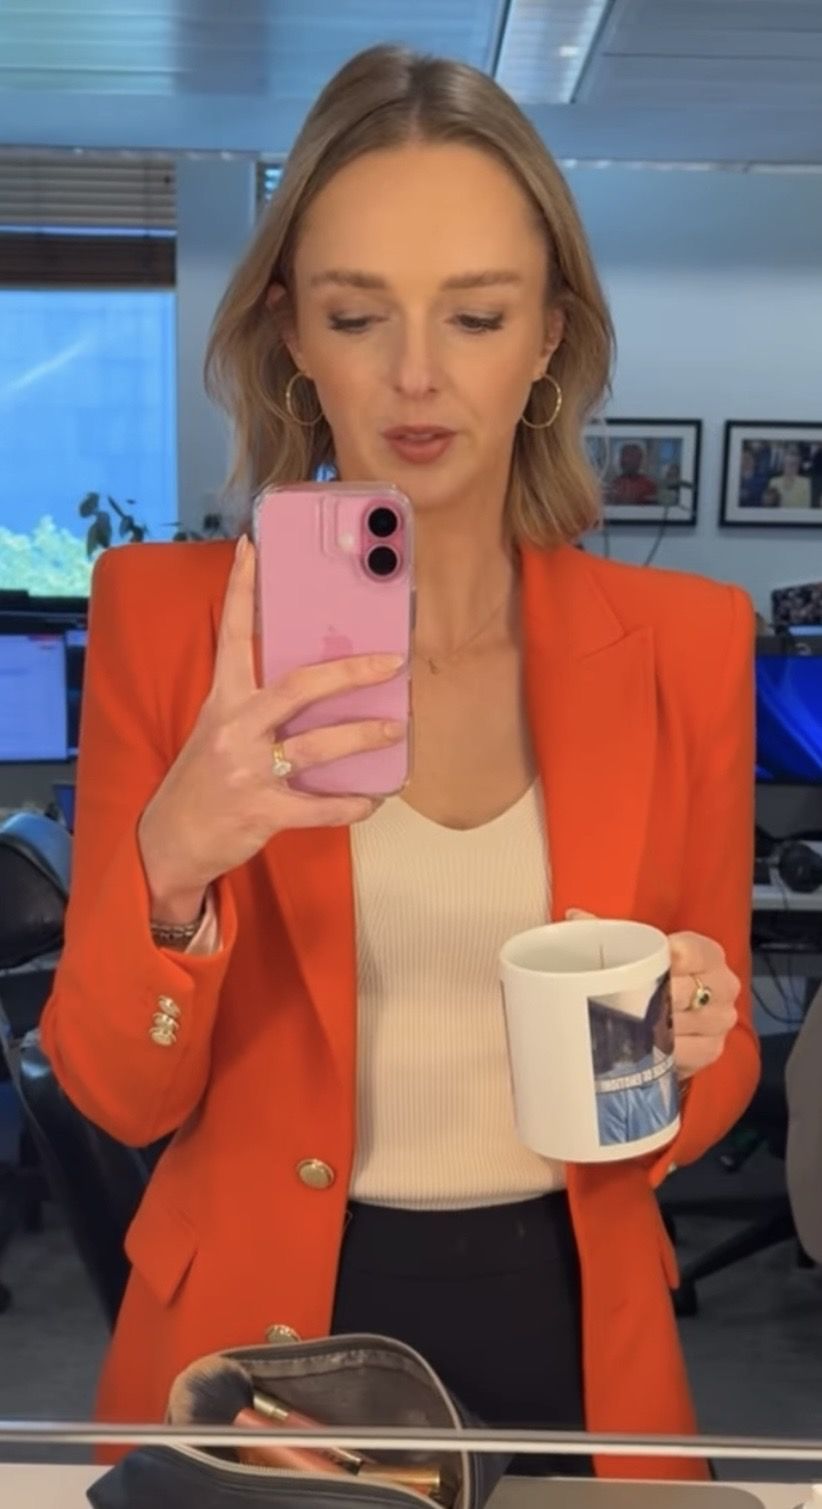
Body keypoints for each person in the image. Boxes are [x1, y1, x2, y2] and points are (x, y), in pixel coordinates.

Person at [40, 44, 758, 1484]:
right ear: (291, 334)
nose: (416, 374)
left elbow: (714, 1054)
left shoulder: (684, 641)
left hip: (578, 1333)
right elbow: (117, 1096)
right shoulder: (169, 624)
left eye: (476, 315)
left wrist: (686, 1037)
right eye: (356, 314)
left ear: (549, 335)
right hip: (263, 1356)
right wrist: (172, 864)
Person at [606, 442, 658, 506]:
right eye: (623, 456)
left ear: (640, 460)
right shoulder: (615, 484)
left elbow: (652, 507)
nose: (626, 460)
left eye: (631, 456)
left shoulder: (649, 485)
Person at [770, 443, 811, 509]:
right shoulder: (774, 482)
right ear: (783, 465)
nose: (791, 467)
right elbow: (770, 507)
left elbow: (806, 507)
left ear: (798, 466)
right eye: (788, 464)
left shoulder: (805, 482)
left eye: (794, 464)